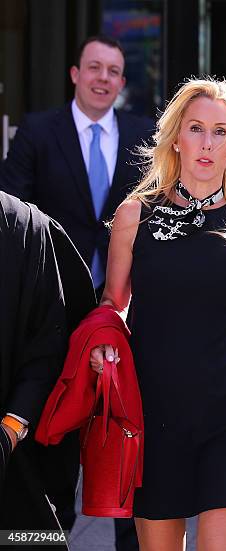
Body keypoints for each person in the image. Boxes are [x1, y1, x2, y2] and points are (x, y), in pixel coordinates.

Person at [89, 77, 226, 551]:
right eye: (196, 128)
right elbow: (113, 304)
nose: (207, 143)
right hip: (154, 409)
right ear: (176, 136)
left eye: (221, 131)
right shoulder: (136, 215)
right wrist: (103, 345)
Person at [0, 35, 153, 297]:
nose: (103, 77)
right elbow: (11, 207)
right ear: (75, 74)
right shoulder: (37, 131)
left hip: (122, 293)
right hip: (50, 287)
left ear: (121, 83)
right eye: (94, 67)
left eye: (113, 71)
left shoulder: (143, 135)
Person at [0, 190, 95, 546]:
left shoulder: (24, 228)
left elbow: (48, 346)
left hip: (13, 454)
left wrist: (10, 430)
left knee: (28, 540)